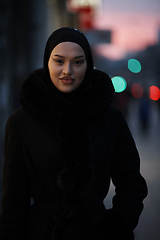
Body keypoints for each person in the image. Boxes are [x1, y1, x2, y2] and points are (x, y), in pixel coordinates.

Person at [0, 27, 147, 240]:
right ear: (47, 63)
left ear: (88, 66)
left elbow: (131, 183)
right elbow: (13, 199)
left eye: (77, 62)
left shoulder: (111, 118)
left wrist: (116, 225)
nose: (67, 70)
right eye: (59, 61)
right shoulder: (21, 122)